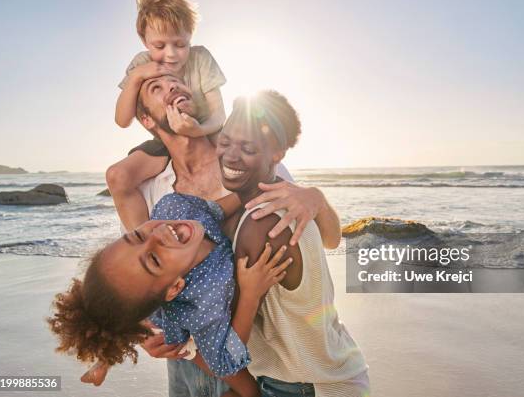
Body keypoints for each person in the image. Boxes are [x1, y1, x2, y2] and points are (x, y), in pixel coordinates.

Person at [97, 73, 343, 396]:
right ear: (146, 120)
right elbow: (134, 279)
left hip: (247, 358)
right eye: (156, 88)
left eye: (176, 82)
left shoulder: (245, 162)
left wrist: (316, 197)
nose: (170, 88)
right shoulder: (156, 190)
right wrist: (143, 332)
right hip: (186, 362)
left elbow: (323, 241)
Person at [48, 190, 292, 397]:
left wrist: (249, 192)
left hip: (154, 298)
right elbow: (225, 359)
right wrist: (251, 293)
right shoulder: (203, 303)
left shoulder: (172, 208)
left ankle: (103, 361)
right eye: (153, 259)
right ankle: (105, 360)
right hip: (177, 328)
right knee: (246, 389)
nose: (159, 233)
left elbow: (214, 211)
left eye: (138, 235)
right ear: (175, 287)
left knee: (125, 320)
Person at [218, 90, 370, 397]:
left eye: (246, 147)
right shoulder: (284, 196)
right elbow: (332, 239)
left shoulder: (262, 224)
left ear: (277, 154)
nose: (230, 155)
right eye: (224, 142)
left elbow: (231, 346)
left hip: (308, 385)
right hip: (327, 369)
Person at [107, 0, 227, 231]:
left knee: (242, 155)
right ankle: (144, 243)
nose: (171, 55)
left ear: (190, 35)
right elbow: (122, 120)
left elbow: (219, 115)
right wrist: (137, 77)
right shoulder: (141, 64)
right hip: (167, 140)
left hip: (207, 131)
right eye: (160, 46)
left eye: (180, 44)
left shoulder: (201, 58)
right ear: (144, 40)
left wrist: (198, 129)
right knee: (117, 176)